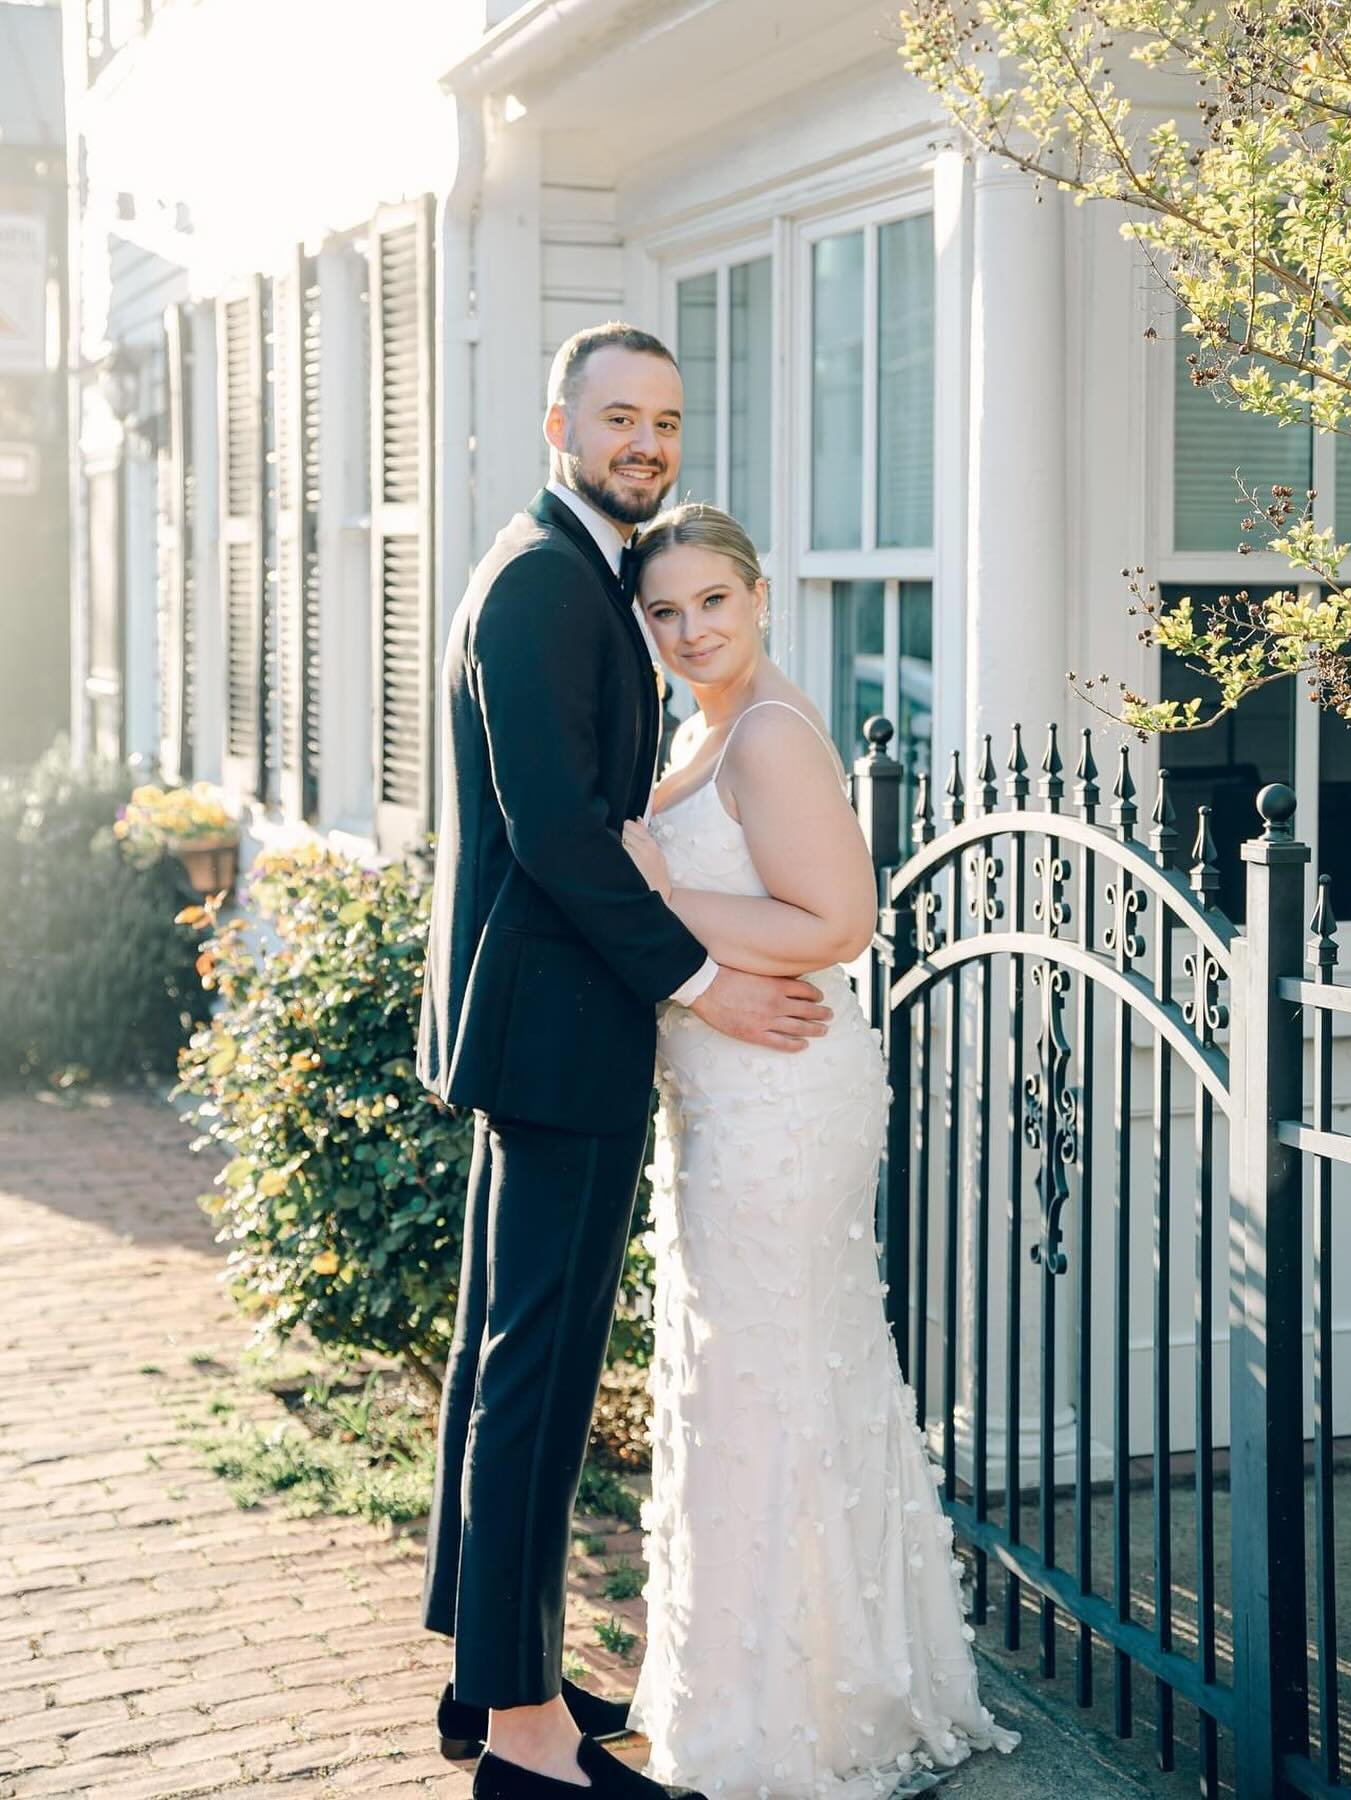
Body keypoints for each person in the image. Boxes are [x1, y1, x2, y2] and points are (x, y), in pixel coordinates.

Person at [416, 323, 832, 1800]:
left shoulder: (580, 572)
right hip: (559, 1028)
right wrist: (706, 981)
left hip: (541, 1021)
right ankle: (523, 1739)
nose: (646, 441)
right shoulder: (541, 584)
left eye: (665, 418)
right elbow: (556, 834)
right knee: (536, 1368)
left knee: (502, 1357)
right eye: (618, 417)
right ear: (559, 424)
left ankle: (491, 1670)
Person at [618, 503, 1021, 1799]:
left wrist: (655, 894)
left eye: (712, 604)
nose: (690, 631)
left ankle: (802, 1715)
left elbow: (838, 922)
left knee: (773, 1373)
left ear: (761, 596)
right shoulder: (704, 724)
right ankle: (768, 1689)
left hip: (783, 1093)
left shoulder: (774, 736)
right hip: (729, 1089)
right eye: (666, 612)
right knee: (746, 1378)